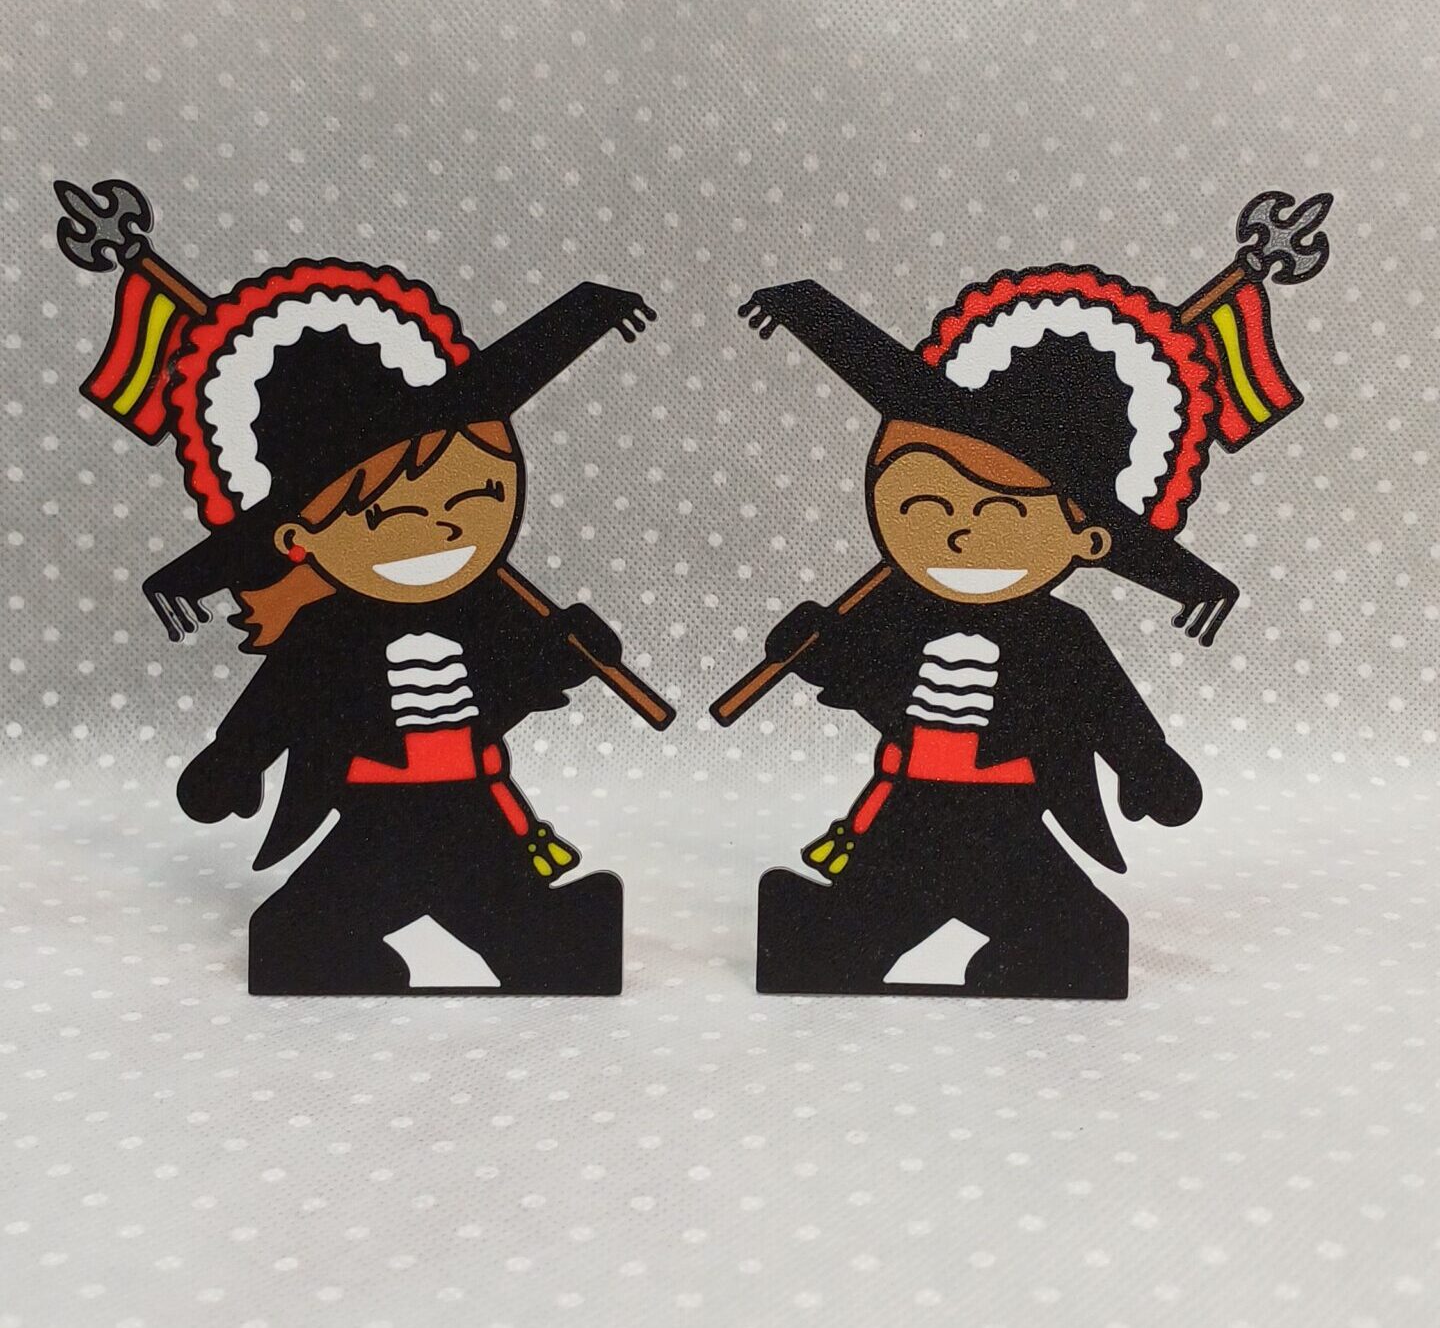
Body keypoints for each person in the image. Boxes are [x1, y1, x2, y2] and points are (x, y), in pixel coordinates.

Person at [156, 261, 658, 995]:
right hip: (376, 819)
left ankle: (560, 934)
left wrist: (562, 654)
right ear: (298, 538)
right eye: (394, 514)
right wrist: (233, 760)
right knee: (302, 936)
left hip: (476, 813)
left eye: (482, 493)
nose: (448, 526)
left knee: (526, 929)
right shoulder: (327, 637)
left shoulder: (481, 615)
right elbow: (282, 698)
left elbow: (507, 686)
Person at [735, 272, 1229, 998]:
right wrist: (822, 649)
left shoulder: (1061, 634)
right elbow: (871, 679)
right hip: (906, 815)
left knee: (1081, 941)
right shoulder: (900, 610)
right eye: (922, 503)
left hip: (1006, 824)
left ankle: (857, 934)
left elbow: (1103, 705)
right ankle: (816, 930)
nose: (958, 532)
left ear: (1089, 540)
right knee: (839, 940)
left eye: (1002, 515)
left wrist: (1147, 763)